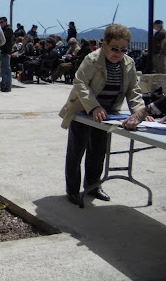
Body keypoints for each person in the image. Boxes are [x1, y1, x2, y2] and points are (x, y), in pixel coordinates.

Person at [58, 24, 145, 205]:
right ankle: (72, 190)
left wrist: (139, 112)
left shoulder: (128, 64)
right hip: (84, 110)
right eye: (114, 48)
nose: (118, 53)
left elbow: (133, 91)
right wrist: (94, 107)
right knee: (77, 151)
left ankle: (93, 185)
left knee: (98, 151)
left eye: (123, 50)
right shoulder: (92, 60)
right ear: (104, 44)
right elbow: (80, 83)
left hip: (108, 115)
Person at [0, 17, 14, 92]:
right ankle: (3, 84)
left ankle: (7, 86)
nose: (0, 24)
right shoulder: (4, 29)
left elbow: (3, 38)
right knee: (3, 69)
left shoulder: (8, 29)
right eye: (0, 23)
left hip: (6, 51)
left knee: (6, 69)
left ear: (5, 22)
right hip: (3, 51)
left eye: (2, 22)